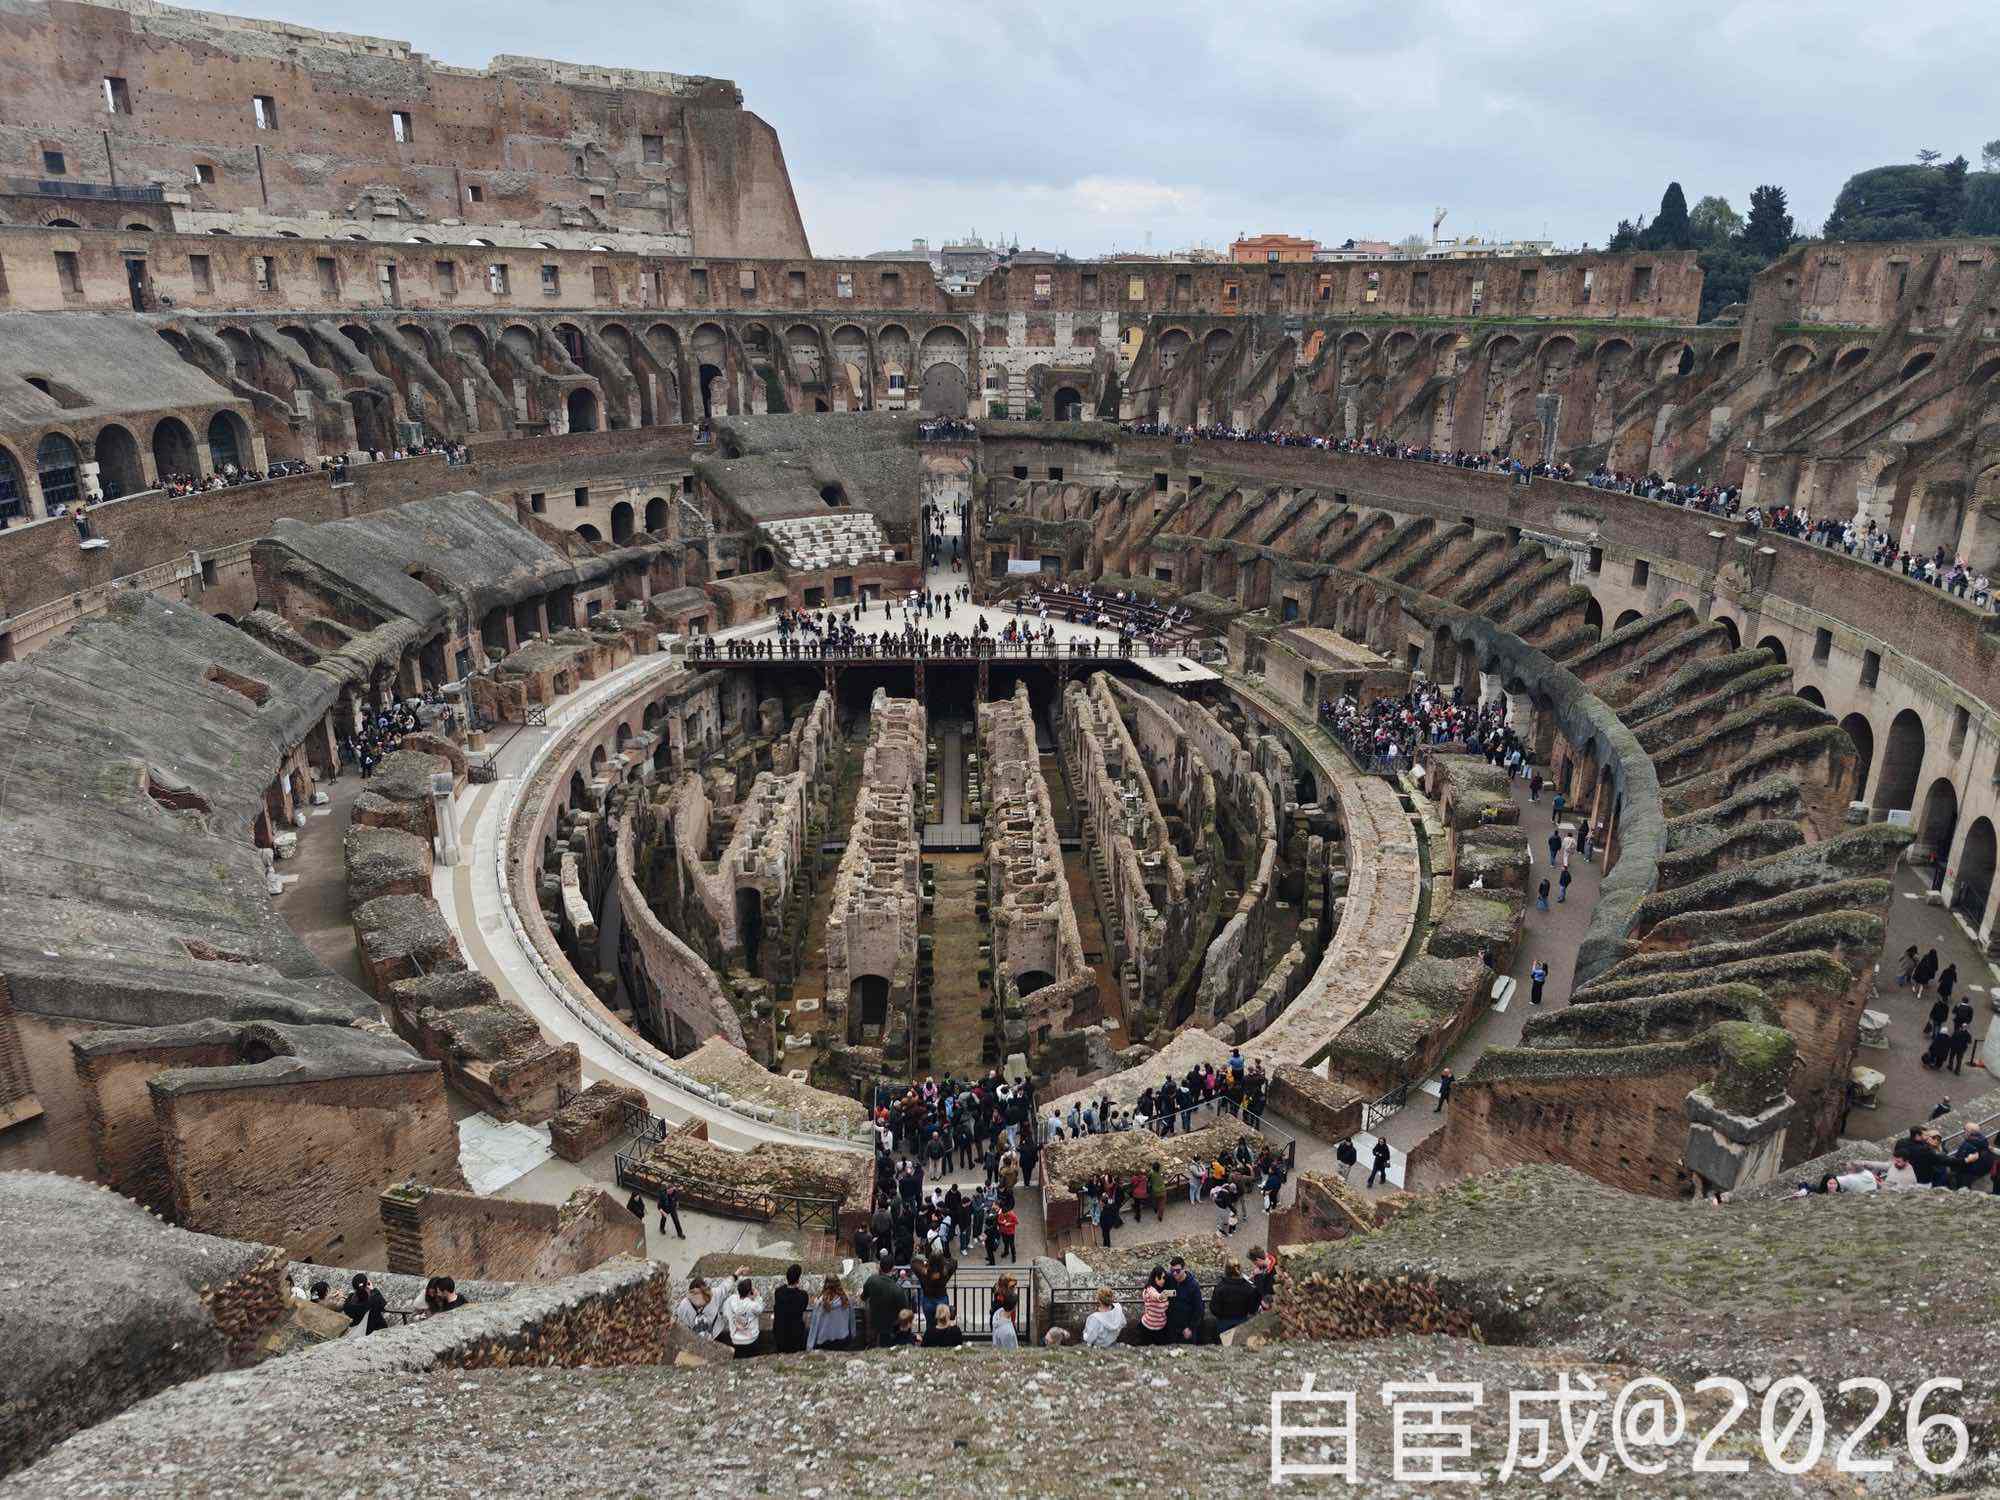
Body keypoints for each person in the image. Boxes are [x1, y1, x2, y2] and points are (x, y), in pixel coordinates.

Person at [861, 1251, 907, 1348]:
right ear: (893, 1269)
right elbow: (904, 1312)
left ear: (879, 1267)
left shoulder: (871, 1280)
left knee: (873, 1346)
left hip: (873, 1321)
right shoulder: (898, 1290)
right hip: (889, 1326)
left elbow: (863, 1297)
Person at [1210, 1259, 1259, 1336]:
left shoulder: (1220, 1287)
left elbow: (1214, 1308)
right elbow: (1253, 1309)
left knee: (1223, 1347)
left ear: (1226, 1270)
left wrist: (1221, 1315)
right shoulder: (1248, 1287)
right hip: (1242, 1322)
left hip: (1224, 1323)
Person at [806, 1276, 854, 1351]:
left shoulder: (819, 1302)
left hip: (824, 1341)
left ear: (825, 1284)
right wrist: (853, 1334)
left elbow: (814, 1326)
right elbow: (852, 1320)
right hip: (843, 1339)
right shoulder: (846, 1299)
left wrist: (810, 1345)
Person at [1165, 1257, 1204, 1344]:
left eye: (1178, 1271)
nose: (1174, 1273)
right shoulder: (1170, 1279)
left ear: (1184, 1269)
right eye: (1172, 1270)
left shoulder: (1193, 1286)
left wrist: (1190, 1328)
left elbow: (1199, 1309)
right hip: (1172, 1328)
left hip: (1186, 1330)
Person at [772, 1263, 809, 1354]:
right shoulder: (803, 1295)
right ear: (798, 1280)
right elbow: (803, 1308)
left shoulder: (778, 1292)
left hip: (780, 1332)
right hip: (795, 1333)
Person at [674, 1276, 725, 1342]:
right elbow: (682, 1322)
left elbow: (724, 1287)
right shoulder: (684, 1306)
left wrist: (736, 1275)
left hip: (717, 1334)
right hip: (700, 1339)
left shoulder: (712, 1294)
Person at [724, 1277, 764, 1358]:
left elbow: (725, 1313)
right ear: (750, 1292)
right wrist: (757, 1297)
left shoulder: (731, 1300)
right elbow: (760, 1309)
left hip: (736, 1339)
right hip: (751, 1340)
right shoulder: (753, 1305)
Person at [1139, 1266, 1171, 1345]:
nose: (1162, 1280)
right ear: (1154, 1278)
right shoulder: (1150, 1289)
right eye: (1159, 1278)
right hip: (1148, 1328)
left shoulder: (1161, 1288)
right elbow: (1155, 1295)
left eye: (1164, 1278)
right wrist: (1161, 1296)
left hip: (1161, 1327)